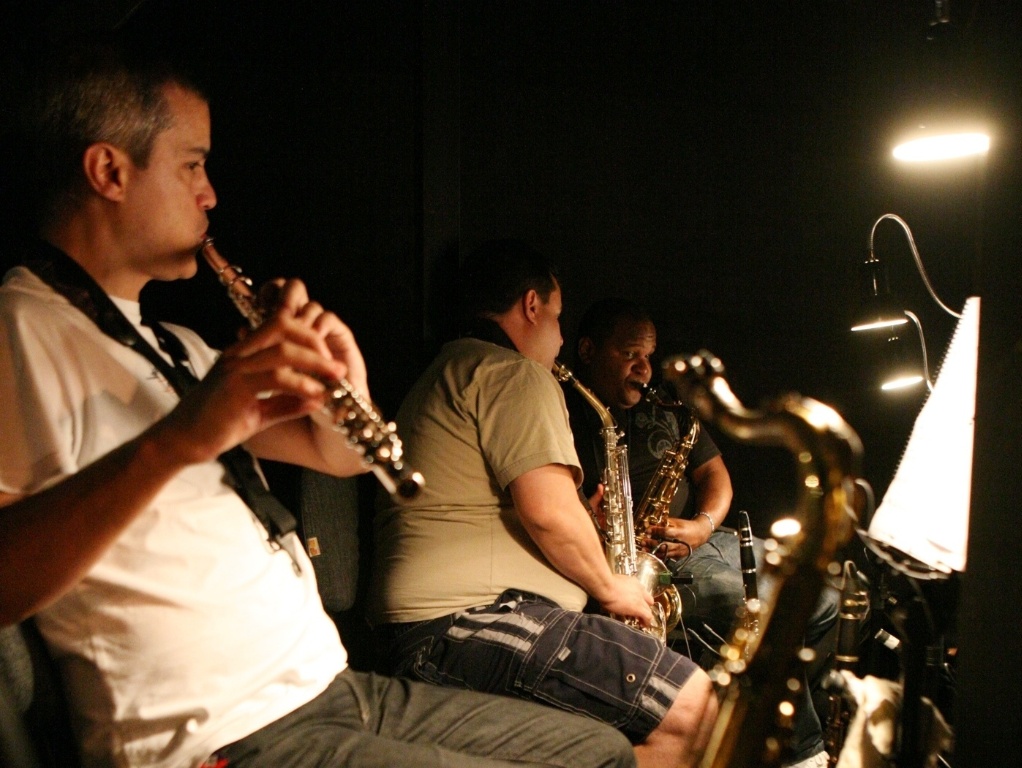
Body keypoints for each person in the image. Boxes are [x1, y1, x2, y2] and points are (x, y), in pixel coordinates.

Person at [0, 39, 637, 768]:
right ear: (110, 170)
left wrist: (345, 376)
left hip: (327, 687)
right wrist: (180, 439)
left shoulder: (174, 345)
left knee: (602, 753)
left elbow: (338, 456)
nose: (210, 194)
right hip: (215, 737)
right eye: (192, 165)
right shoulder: (18, 329)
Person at [370, 239, 718, 768]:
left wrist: (590, 530)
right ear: (531, 305)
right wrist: (611, 586)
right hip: (467, 623)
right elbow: (547, 513)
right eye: (558, 319)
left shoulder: (448, 368)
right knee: (698, 710)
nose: (558, 339)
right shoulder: (511, 371)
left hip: (438, 631)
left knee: (609, 746)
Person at [566, 297, 838, 768]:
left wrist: (701, 525)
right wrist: (592, 521)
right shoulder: (563, 410)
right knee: (749, 602)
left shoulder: (669, 410)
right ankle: (803, 755)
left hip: (696, 539)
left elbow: (716, 475)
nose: (644, 369)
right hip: (633, 564)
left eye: (649, 355)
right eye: (630, 354)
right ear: (588, 351)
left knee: (825, 597)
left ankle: (772, 725)